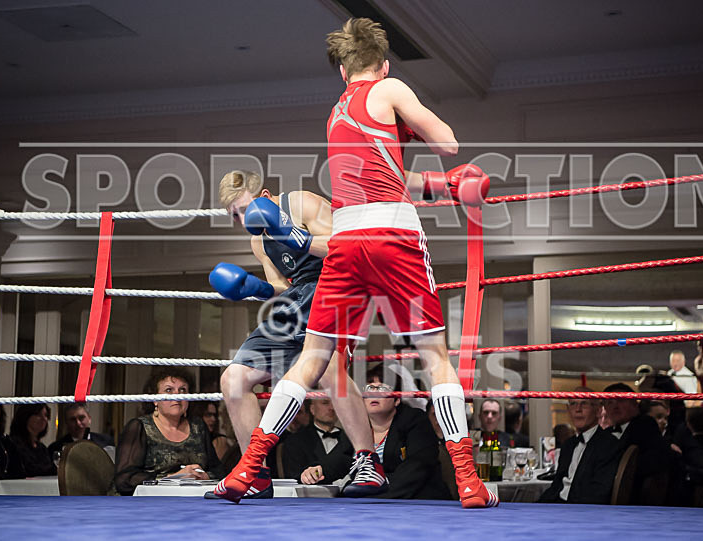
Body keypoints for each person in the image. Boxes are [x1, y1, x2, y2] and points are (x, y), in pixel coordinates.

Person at [214, 17, 496, 508]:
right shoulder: (391, 87)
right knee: (434, 357)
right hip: (394, 236)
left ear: (343, 73)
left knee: (312, 360)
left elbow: (391, 175)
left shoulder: (336, 111)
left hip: (346, 240)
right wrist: (435, 149)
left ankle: (247, 468)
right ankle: (469, 480)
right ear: (382, 64)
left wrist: (441, 186)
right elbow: (449, 141)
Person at [211, 170, 368, 499]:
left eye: (244, 209)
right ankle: (256, 473)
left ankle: (368, 462)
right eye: (234, 215)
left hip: (339, 286)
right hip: (297, 302)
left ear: (265, 196)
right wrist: (255, 288)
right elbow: (284, 287)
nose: (242, 220)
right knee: (233, 378)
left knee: (328, 371)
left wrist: (298, 237)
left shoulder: (301, 203)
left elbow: (345, 249)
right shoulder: (259, 241)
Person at [115, 368, 226, 495]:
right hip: (146, 503)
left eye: (182, 390)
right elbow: (124, 480)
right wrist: (172, 478)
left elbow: (219, 470)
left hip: (194, 501)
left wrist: (205, 476)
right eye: (169, 390)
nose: (177, 396)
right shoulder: (138, 427)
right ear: (155, 399)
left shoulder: (198, 426)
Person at [363, 369, 451, 500]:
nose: (374, 393)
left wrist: (370, 492)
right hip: (368, 505)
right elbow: (339, 462)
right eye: (370, 388)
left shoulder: (415, 421)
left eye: (382, 388)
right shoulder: (357, 426)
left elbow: (416, 469)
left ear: (397, 399)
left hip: (420, 504)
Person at [539, 388, 620, 504]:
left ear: (598, 411)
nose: (578, 409)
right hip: (558, 505)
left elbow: (600, 492)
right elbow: (557, 485)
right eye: (573, 404)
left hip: (582, 510)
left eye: (584, 404)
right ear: (568, 410)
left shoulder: (608, 444)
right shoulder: (568, 445)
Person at [602, 383, 672, 505]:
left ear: (634, 403)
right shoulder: (605, 434)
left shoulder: (644, 425)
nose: (615, 406)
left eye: (620, 400)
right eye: (609, 402)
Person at [283, 397, 353, 484]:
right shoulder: (295, 441)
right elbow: (293, 476)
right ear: (312, 409)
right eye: (325, 403)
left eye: (335, 403)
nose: (332, 408)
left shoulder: (351, 438)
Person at [47, 403, 114, 462]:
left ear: (89, 419)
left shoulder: (106, 442)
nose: (78, 423)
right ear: (66, 423)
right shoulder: (55, 448)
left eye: (81, 418)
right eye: (73, 419)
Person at [10, 403, 56, 477]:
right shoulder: (13, 444)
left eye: (45, 415)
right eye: (38, 414)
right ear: (26, 416)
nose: (43, 419)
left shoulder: (42, 448)